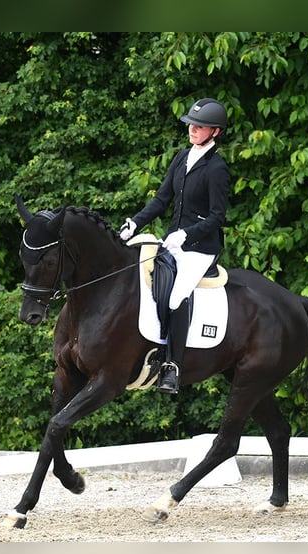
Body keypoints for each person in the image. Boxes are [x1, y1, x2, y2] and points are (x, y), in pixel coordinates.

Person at [119, 97, 230, 394]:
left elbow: (218, 216)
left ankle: (172, 366)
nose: (192, 129)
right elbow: (161, 199)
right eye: (191, 124)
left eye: (200, 126)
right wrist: (135, 222)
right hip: (174, 240)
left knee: (175, 296)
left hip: (200, 246)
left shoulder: (216, 168)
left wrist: (188, 234)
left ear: (215, 132)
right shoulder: (182, 157)